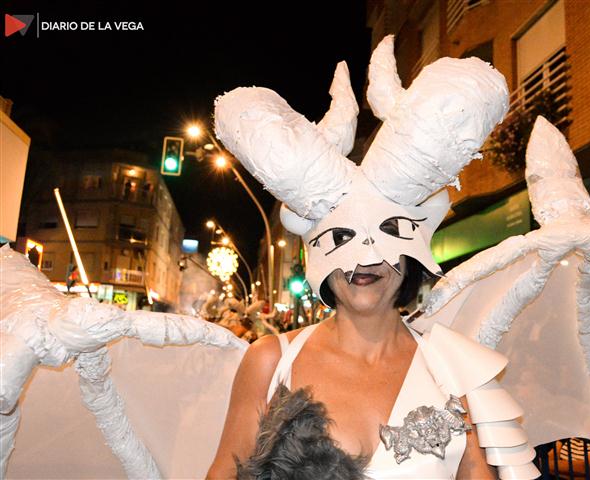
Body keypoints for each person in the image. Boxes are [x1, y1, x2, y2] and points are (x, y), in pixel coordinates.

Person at [207, 35, 538, 479]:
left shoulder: (454, 370)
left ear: (412, 252)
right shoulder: (269, 361)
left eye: (387, 235)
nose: (364, 260)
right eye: (342, 237)